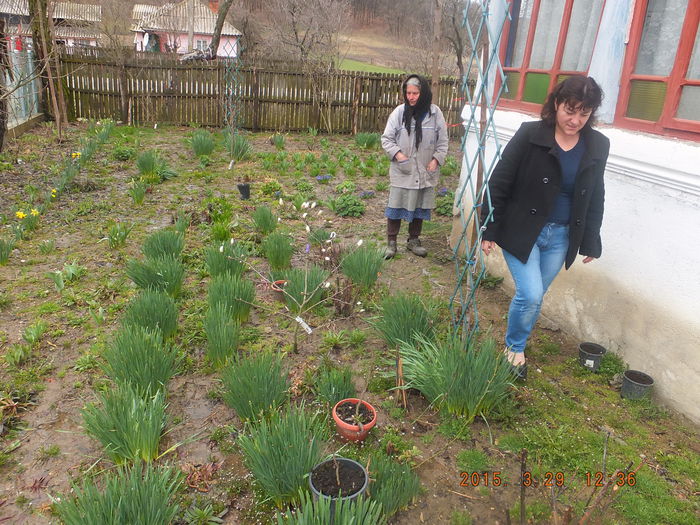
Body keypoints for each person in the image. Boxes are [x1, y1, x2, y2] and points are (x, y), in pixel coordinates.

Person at [480, 75, 609, 379]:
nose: (575, 120)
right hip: (523, 230)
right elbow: (499, 182)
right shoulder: (531, 134)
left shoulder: (597, 145)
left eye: (584, 113)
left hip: (562, 236)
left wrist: (590, 240)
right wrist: (489, 227)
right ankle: (513, 350)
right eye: (570, 110)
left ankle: (518, 343)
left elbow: (595, 194)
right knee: (531, 294)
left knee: (534, 296)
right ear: (556, 103)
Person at [381, 74, 449, 258]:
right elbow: (386, 139)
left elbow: (443, 142)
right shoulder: (399, 113)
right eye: (408, 93)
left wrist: (436, 160)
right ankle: (391, 243)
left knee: (419, 206)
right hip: (403, 170)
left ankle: (413, 240)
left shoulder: (435, 114)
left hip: (425, 170)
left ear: (424, 93)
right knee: (396, 206)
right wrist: (398, 154)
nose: (411, 97)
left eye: (415, 93)